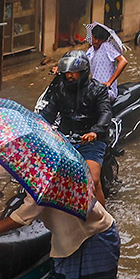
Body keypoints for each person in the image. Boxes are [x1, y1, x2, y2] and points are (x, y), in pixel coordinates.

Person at [39, 52, 112, 203]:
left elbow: (105, 112)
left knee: (92, 180)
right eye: (67, 72)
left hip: (91, 141)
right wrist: (36, 125)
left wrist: (95, 131)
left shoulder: (98, 90)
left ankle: (103, 222)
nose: (70, 76)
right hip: (65, 139)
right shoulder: (60, 89)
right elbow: (49, 113)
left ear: (83, 72)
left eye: (74, 72)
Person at [85, 23, 127, 99]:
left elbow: (123, 61)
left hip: (107, 91)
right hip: (95, 89)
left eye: (99, 39)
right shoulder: (90, 51)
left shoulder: (106, 46)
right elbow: (82, 63)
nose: (96, 41)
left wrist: (109, 82)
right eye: (95, 38)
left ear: (104, 40)